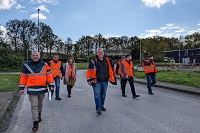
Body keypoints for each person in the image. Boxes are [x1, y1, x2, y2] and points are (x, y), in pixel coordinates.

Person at [19, 50, 54, 131]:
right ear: (31, 56)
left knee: (40, 103)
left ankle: (39, 114)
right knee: (34, 105)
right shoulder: (26, 65)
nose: (35, 57)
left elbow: (49, 75)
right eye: (34, 55)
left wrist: (51, 85)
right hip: (31, 89)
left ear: (39, 56)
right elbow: (23, 77)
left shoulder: (45, 65)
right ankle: (35, 122)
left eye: (36, 55)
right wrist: (21, 88)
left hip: (42, 89)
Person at [86, 48, 116, 115]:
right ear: (97, 53)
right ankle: (98, 108)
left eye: (101, 52)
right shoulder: (93, 61)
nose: (100, 54)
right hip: (97, 81)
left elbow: (112, 68)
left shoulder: (108, 60)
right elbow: (89, 71)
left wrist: (114, 76)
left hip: (105, 81)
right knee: (97, 94)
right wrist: (89, 79)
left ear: (103, 53)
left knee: (103, 95)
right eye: (99, 52)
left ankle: (102, 105)